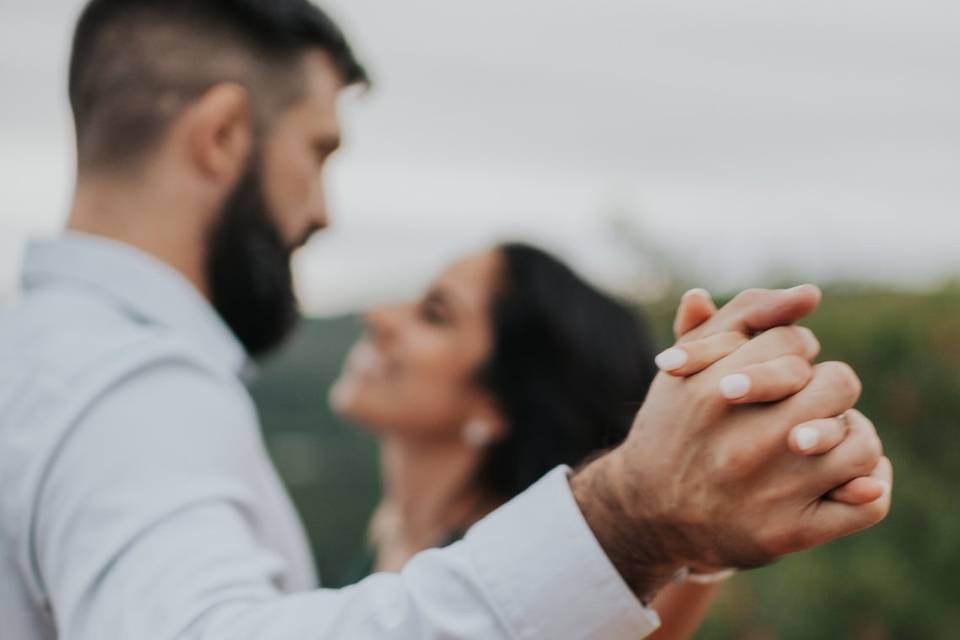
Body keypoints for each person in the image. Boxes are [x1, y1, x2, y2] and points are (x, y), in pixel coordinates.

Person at [0, 1, 892, 638]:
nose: (320, 212)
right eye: (316, 152)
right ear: (223, 135)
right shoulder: (129, 383)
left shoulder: (49, 357)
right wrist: (630, 519)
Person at [329, 243, 883, 640]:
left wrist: (713, 468)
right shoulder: (393, 527)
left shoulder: (533, 589)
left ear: (497, 401)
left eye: (435, 314)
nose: (377, 317)